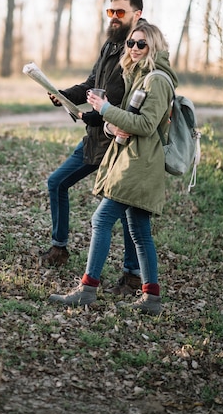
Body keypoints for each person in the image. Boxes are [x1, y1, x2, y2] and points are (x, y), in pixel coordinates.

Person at [49, 23, 178, 315]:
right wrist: (108, 122)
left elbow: (145, 125)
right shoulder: (140, 76)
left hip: (139, 163)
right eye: (131, 43)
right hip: (133, 158)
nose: (133, 48)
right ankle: (152, 298)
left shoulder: (156, 80)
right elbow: (128, 121)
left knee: (101, 220)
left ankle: (87, 289)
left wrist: (105, 108)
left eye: (141, 44)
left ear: (153, 47)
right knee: (140, 230)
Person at [40, 0, 146, 296]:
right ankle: (59, 248)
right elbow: (91, 86)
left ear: (136, 14)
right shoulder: (111, 44)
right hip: (95, 141)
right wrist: (62, 95)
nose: (113, 18)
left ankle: (132, 276)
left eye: (120, 13)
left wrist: (95, 118)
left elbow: (128, 104)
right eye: (110, 12)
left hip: (121, 145)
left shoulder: (140, 49)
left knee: (127, 211)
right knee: (57, 182)